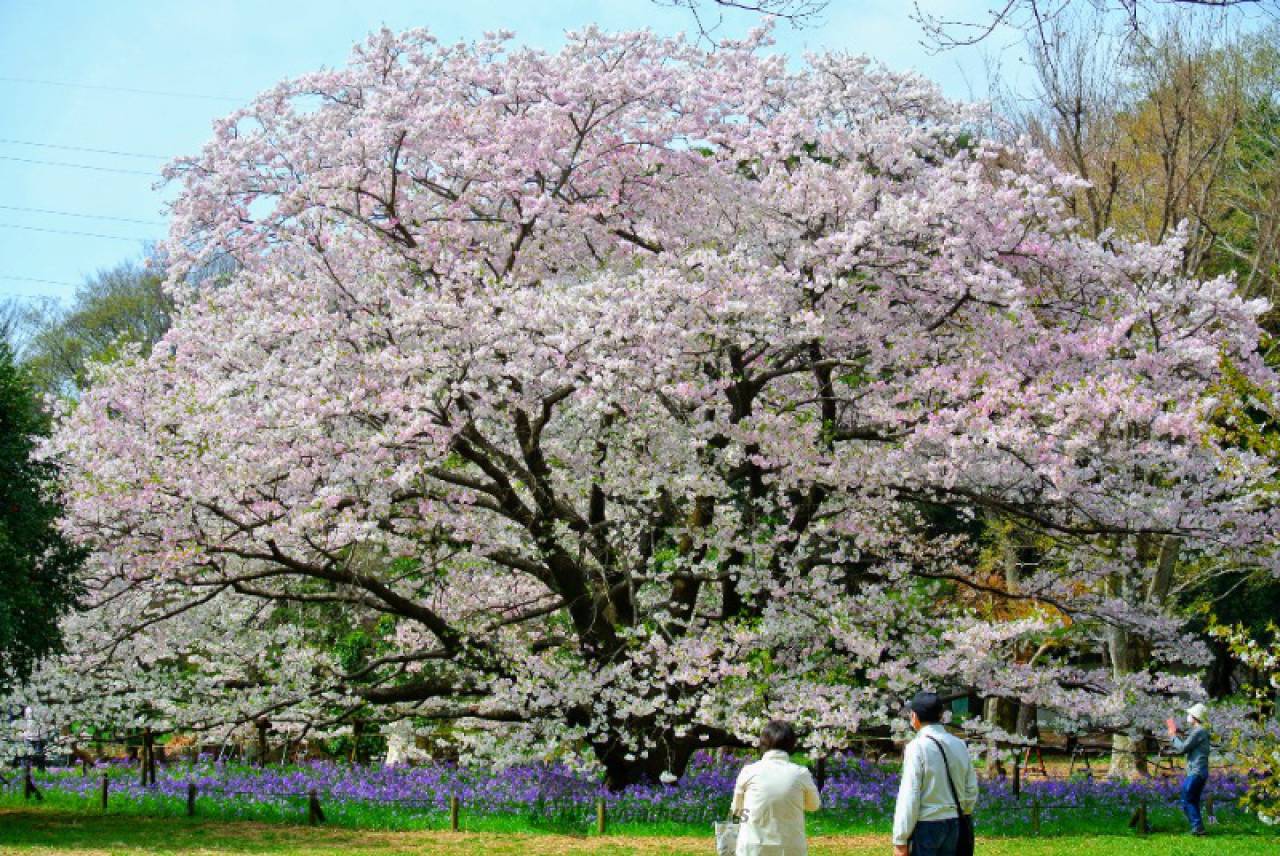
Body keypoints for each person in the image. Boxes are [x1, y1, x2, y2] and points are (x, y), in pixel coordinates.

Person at [892, 691, 978, 856]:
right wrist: (962, 810)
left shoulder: (917, 747)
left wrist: (900, 839)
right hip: (955, 823)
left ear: (914, 717)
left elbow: (909, 795)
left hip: (927, 825)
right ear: (941, 715)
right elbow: (971, 789)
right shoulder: (959, 744)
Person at [731, 720, 821, 855]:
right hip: (790, 848)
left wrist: (751, 818)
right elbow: (814, 806)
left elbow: (737, 811)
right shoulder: (800, 773)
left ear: (762, 745)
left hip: (752, 848)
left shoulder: (748, 772)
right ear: (792, 745)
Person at [1167, 702, 1211, 836]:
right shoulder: (1200, 731)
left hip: (1196, 772)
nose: (1188, 717)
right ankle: (1199, 828)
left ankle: (1197, 827)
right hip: (1199, 772)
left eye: (1189, 715)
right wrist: (1179, 734)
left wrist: (1173, 735)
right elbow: (1190, 743)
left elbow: (1182, 748)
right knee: (1193, 800)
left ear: (1195, 717)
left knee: (1186, 799)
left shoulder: (1199, 731)